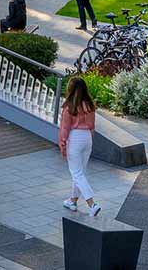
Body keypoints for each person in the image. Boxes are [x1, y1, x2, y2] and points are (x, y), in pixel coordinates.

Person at [57, 76, 102, 216]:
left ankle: (92, 204)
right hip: (87, 137)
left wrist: (62, 145)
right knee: (80, 172)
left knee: (77, 174)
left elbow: (64, 129)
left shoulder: (68, 107)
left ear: (70, 89)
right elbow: (92, 126)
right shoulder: (89, 105)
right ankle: (72, 201)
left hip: (75, 138)